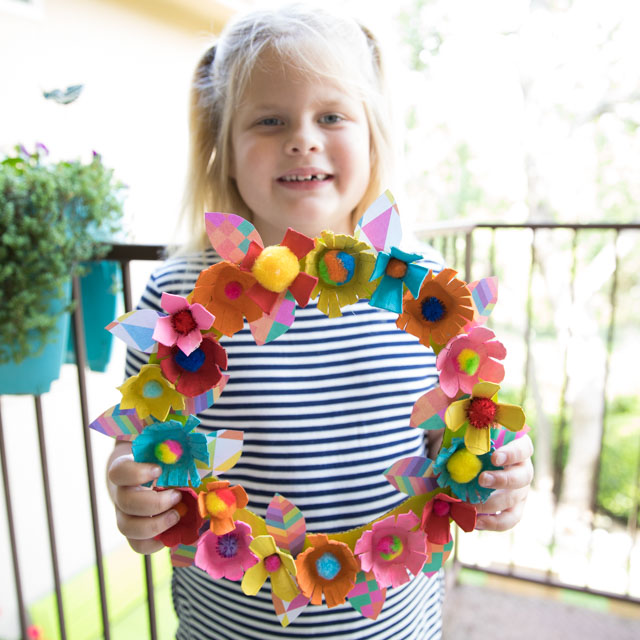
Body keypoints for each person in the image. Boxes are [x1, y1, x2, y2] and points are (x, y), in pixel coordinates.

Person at [107, 5, 534, 639]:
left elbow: (457, 444)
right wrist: (134, 490)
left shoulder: (429, 297)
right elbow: (138, 444)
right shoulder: (179, 301)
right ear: (223, 153)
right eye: (269, 120)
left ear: (372, 139)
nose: (302, 138)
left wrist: (498, 470)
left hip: (396, 627)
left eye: (331, 116)